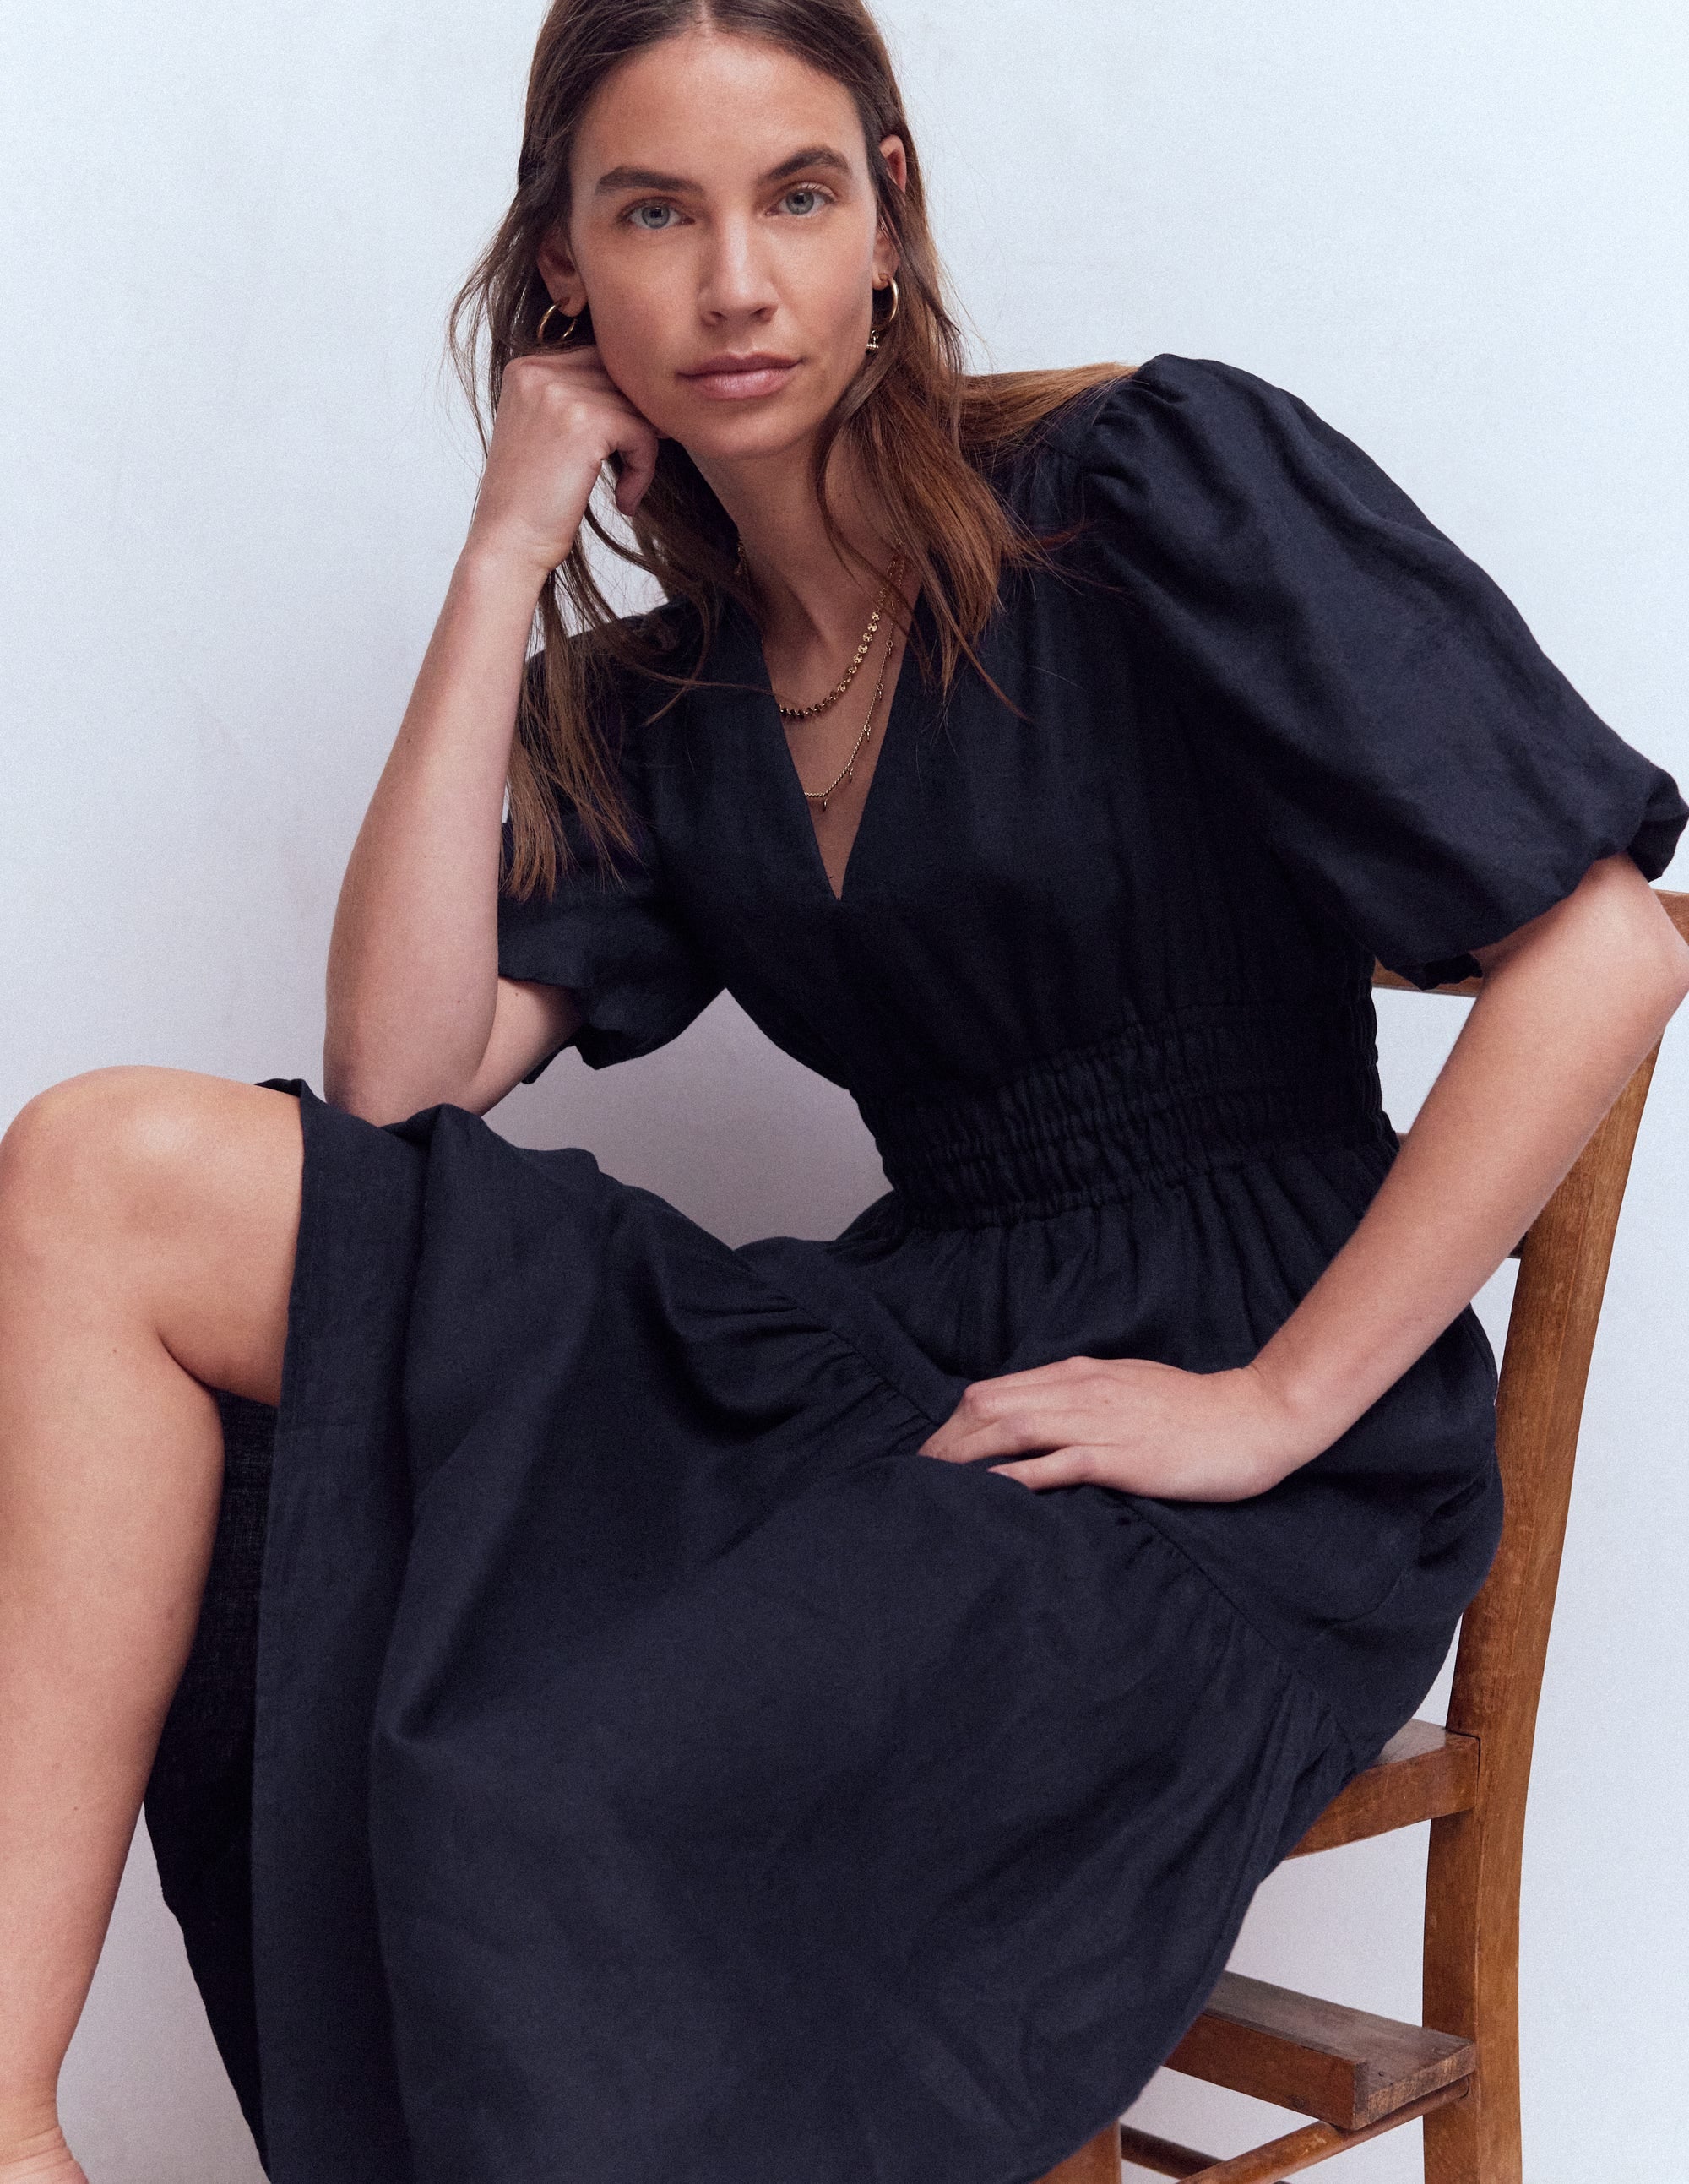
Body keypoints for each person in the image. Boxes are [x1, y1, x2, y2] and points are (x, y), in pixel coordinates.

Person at [3, 3, 1686, 2180]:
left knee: (594, 1731)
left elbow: (1611, 948)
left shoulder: (1142, 483)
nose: (733, 282)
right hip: (912, 1362)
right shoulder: (669, 695)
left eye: (797, 195)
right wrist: (505, 544)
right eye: (654, 214)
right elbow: (399, 1085)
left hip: (1259, 1437)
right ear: (562, 278)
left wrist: (1268, 1402)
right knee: (106, 1172)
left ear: (889, 213)